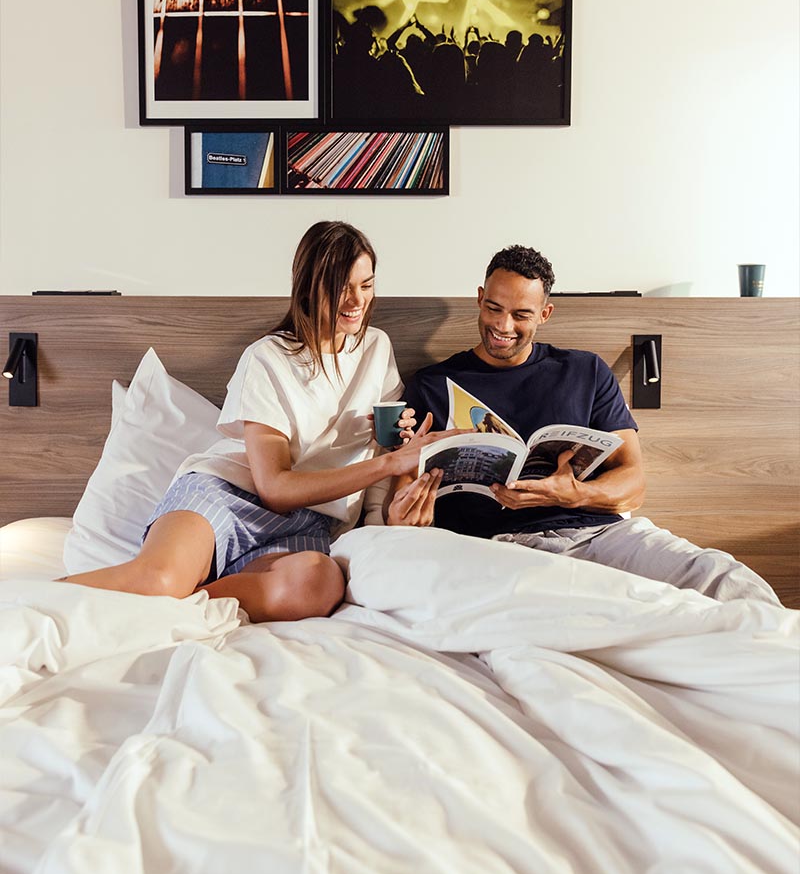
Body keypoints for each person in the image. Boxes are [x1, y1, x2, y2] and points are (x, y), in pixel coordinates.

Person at [61, 222, 449, 622]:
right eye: (341, 287)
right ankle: (35, 599)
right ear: (308, 286)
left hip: (312, 521)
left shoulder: (376, 348)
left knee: (318, 585)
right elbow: (274, 488)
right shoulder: (267, 357)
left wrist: (384, 519)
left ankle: (187, 599)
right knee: (159, 581)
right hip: (226, 494)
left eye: (366, 285)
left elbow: (382, 454)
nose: (356, 301)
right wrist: (386, 464)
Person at [394, 244, 782, 605]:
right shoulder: (431, 384)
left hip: (596, 535)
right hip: (493, 547)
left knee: (723, 576)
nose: (503, 325)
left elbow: (634, 483)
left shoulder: (585, 371)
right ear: (479, 298)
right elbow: (399, 495)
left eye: (521, 315)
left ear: (545, 314)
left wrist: (571, 493)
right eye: (493, 308)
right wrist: (409, 517)